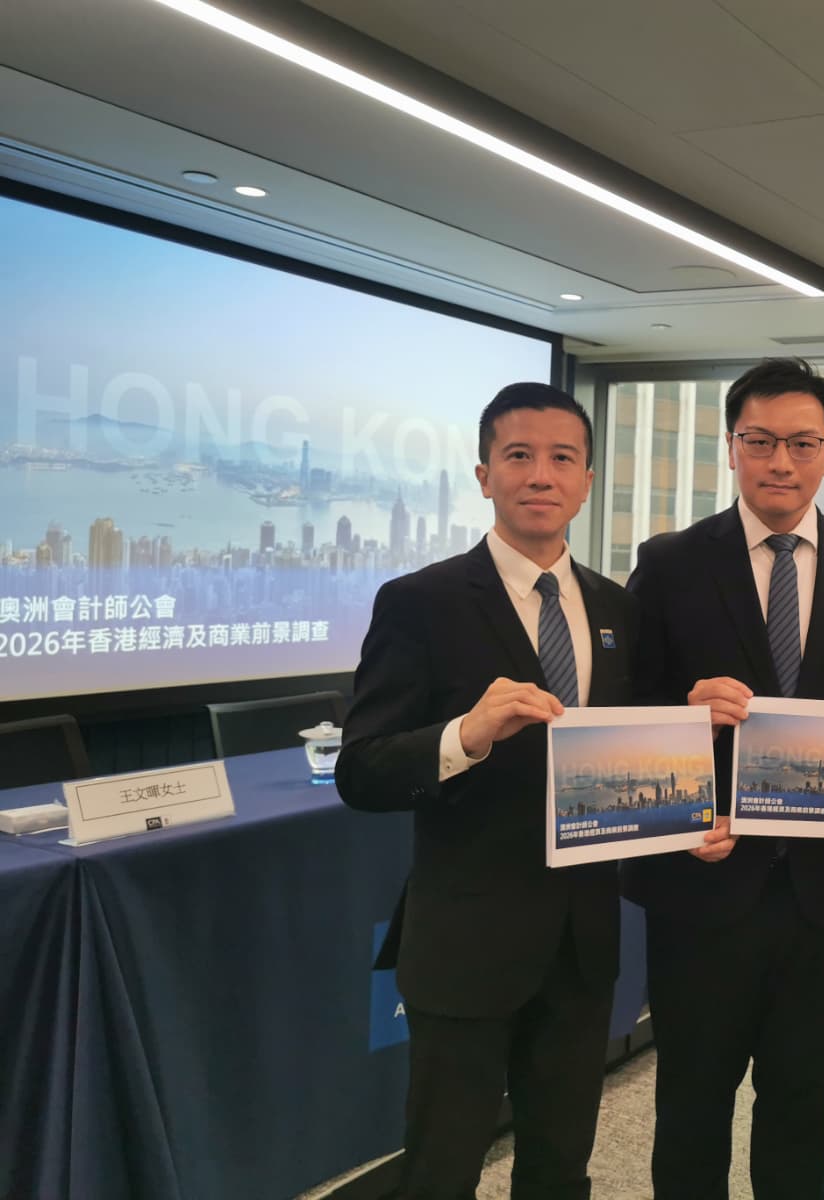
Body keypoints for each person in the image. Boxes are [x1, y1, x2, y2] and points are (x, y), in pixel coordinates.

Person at [624, 356, 824, 1200]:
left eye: (803, 442)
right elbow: (623, 708)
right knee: (692, 1101)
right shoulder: (671, 561)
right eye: (760, 441)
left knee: (800, 1101)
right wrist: (685, 711)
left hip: (822, 892)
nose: (781, 462)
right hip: (702, 878)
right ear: (732, 446)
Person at [336, 382, 638, 1200]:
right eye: (519, 456)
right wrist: (464, 737)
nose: (541, 474)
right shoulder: (420, 602)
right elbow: (360, 770)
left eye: (562, 458)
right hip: (466, 940)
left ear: (586, 481)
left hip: (582, 941)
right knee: (442, 1170)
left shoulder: (617, 608)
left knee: (560, 1166)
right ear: (483, 475)